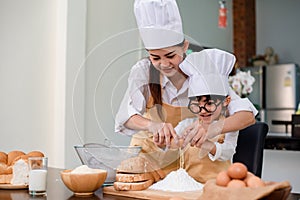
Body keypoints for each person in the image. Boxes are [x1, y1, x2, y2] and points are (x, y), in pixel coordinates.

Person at [115, 0, 257, 180]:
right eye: (155, 57)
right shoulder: (143, 72)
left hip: (199, 170)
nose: (164, 64)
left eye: (170, 55)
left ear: (184, 47)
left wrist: (212, 128)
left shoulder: (205, 69)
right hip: (153, 166)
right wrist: (152, 125)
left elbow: (246, 115)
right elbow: (126, 116)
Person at [173, 49, 239, 182]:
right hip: (189, 186)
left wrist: (208, 144)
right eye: (197, 104)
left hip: (218, 185)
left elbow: (228, 152)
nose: (202, 110)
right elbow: (171, 142)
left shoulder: (229, 126)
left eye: (209, 103)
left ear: (226, 101)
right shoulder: (187, 124)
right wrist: (168, 139)